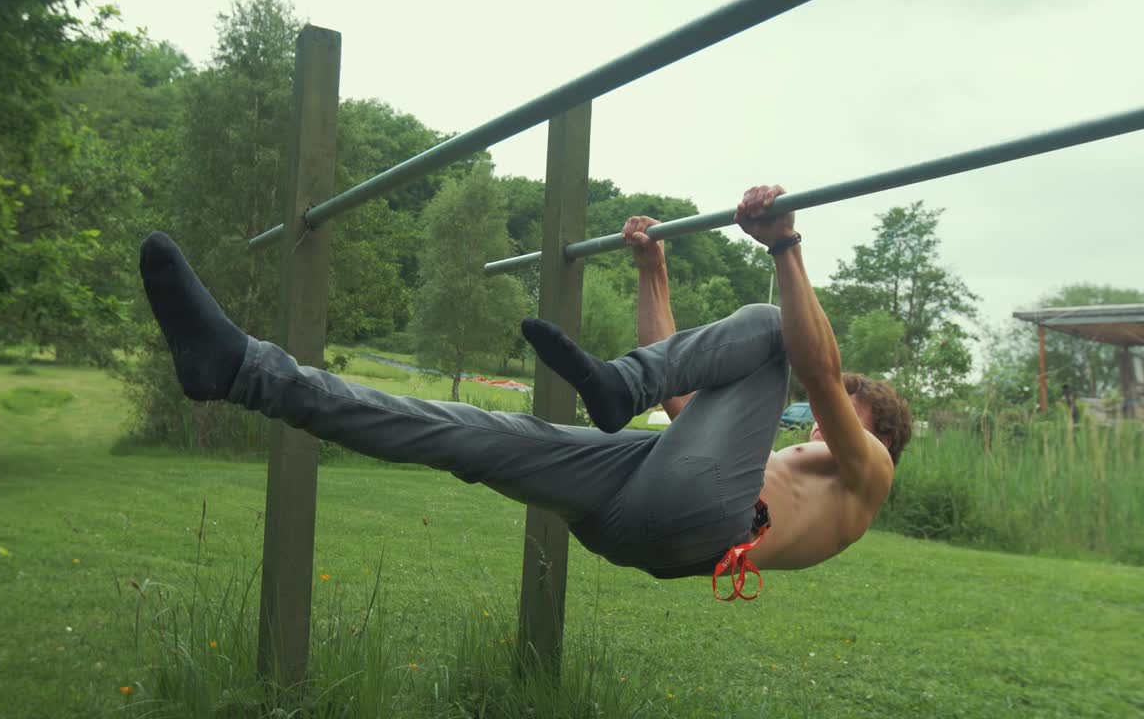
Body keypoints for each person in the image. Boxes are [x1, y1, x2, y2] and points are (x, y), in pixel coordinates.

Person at [139, 184, 911, 600]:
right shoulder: (765, 456)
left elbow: (811, 366)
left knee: (770, 323)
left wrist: (784, 246)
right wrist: (653, 271)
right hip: (643, 497)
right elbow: (685, 398)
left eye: (843, 418)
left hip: (698, 524)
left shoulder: (868, 471)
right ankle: (243, 371)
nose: (817, 427)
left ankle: (617, 387)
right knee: (459, 431)